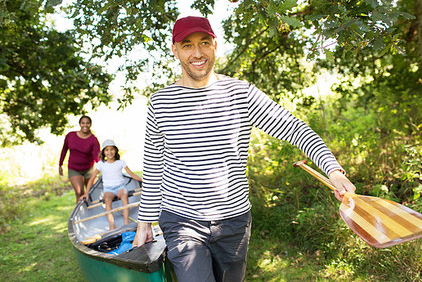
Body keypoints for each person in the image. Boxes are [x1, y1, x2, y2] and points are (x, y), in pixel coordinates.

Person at [133, 16, 356, 282]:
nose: (197, 53)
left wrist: (334, 170)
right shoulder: (161, 102)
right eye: (187, 45)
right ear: (175, 50)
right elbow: (154, 163)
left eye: (204, 43)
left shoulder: (240, 93)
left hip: (233, 220)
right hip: (182, 219)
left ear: (215, 44)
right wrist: (144, 222)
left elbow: (295, 129)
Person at [81, 139, 143, 230]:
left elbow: (132, 175)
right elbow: (91, 179)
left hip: (120, 187)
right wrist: (86, 193)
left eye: (112, 149)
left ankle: (126, 221)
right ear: (103, 152)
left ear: (115, 150)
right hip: (108, 189)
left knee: (124, 194)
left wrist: (143, 180)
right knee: (107, 199)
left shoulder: (120, 162)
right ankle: (112, 224)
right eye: (107, 150)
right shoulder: (101, 164)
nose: (109, 152)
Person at [59, 115, 100, 202]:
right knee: (79, 192)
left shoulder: (93, 140)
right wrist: (60, 164)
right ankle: (81, 215)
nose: (85, 125)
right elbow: (64, 150)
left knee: (93, 193)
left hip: (89, 169)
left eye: (87, 123)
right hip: (74, 169)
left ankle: (93, 212)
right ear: (80, 124)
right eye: (83, 123)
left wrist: (103, 166)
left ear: (90, 125)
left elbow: (96, 156)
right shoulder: (70, 136)